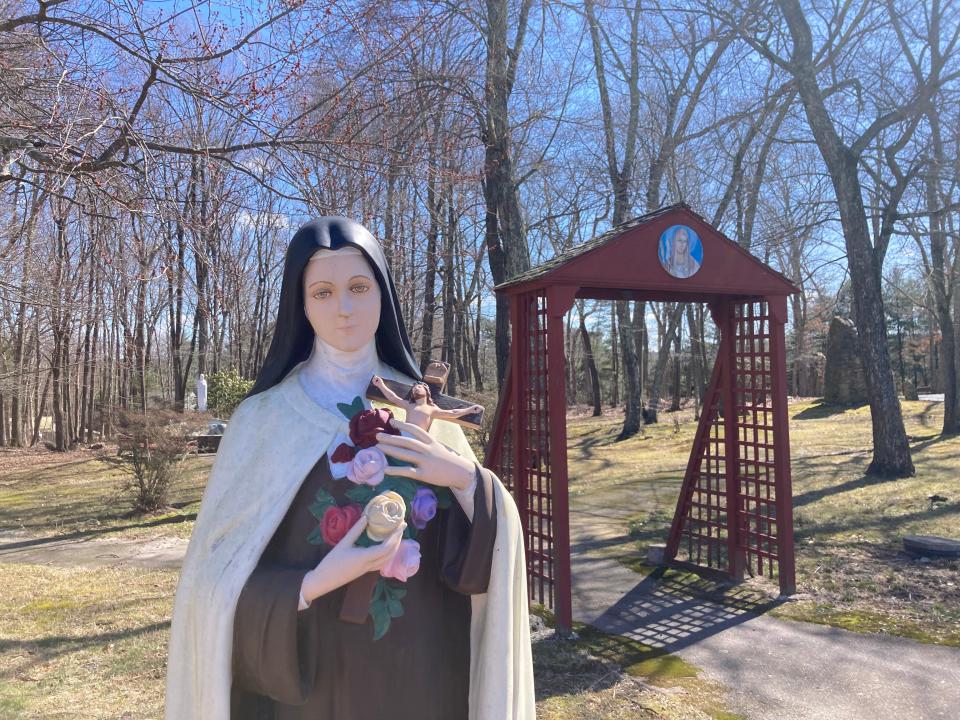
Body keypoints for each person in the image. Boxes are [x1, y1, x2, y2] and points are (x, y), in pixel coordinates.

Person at [164, 217, 534, 720]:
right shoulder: (264, 420)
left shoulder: (422, 406)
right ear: (301, 304)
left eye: (359, 287)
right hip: (312, 684)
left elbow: (486, 555)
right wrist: (311, 583)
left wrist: (466, 482)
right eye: (322, 292)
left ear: (383, 294)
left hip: (421, 676)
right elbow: (211, 587)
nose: (343, 308)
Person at [371, 375, 483, 432]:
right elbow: (393, 397)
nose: (416, 389)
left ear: (427, 392)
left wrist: (470, 409)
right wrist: (380, 385)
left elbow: (452, 413)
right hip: (405, 433)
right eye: (414, 388)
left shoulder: (432, 410)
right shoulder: (409, 405)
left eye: (419, 387)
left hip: (419, 438)